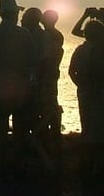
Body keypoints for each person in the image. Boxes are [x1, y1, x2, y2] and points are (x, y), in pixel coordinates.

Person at [0, 0, 38, 173]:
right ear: (15, 14)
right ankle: (16, 165)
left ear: (2, 14)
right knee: (19, 130)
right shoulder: (25, 35)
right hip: (20, 91)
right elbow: (33, 63)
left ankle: (0, 165)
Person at [68, 19, 104, 176]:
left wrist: (80, 84)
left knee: (87, 127)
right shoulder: (97, 51)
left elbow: (71, 70)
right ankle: (95, 166)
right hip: (97, 93)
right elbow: (101, 73)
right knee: (100, 130)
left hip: (84, 93)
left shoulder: (80, 50)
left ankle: (86, 165)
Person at [39, 9, 65, 152]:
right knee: (51, 104)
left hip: (47, 76)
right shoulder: (55, 35)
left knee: (49, 106)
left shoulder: (48, 36)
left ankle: (52, 137)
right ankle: (54, 136)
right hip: (52, 75)